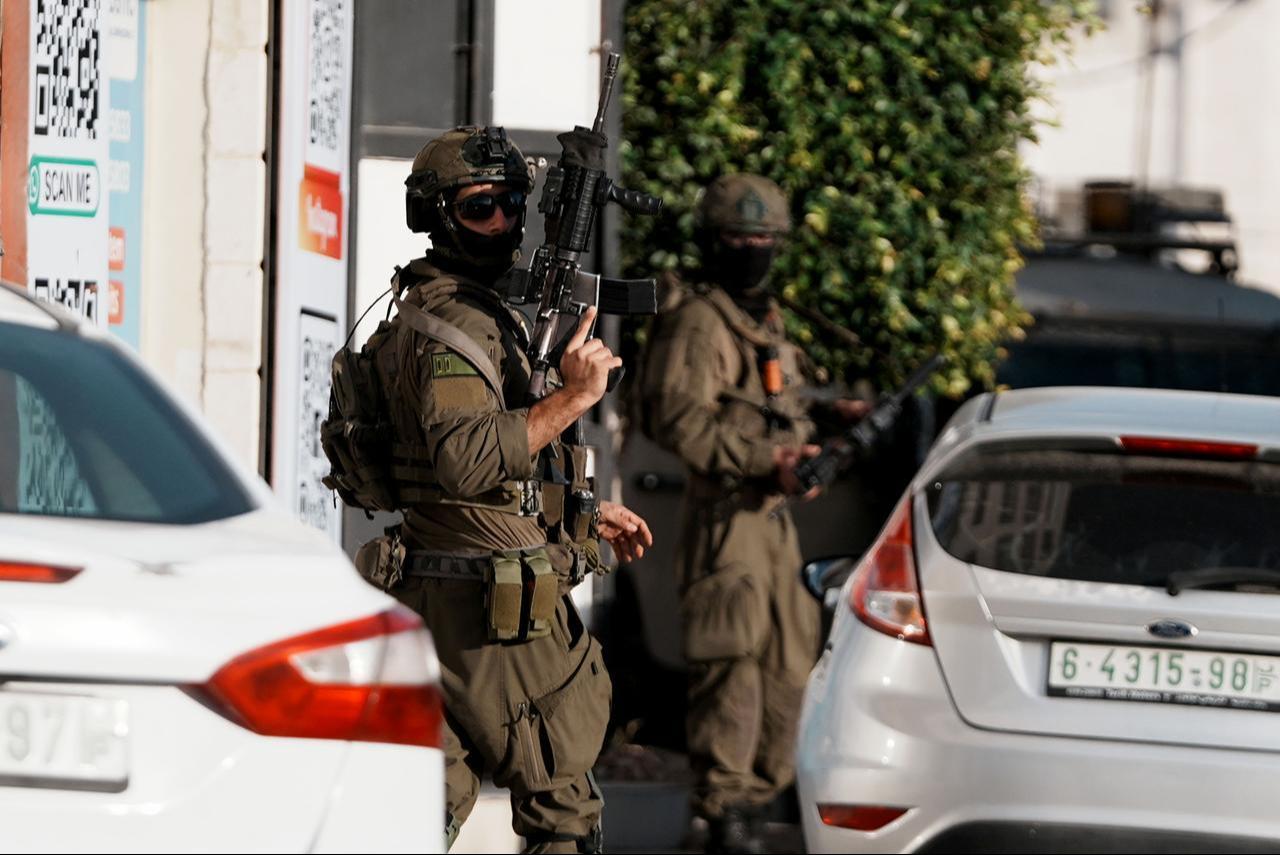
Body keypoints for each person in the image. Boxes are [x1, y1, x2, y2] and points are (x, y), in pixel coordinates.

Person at [377, 125, 652, 854]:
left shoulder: (442, 308)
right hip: (494, 610)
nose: (499, 223)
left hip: (443, 586)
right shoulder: (453, 326)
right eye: (477, 208)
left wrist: (585, 515)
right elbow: (469, 462)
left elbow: (496, 470)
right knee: (561, 802)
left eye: (510, 205)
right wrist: (577, 395)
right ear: (434, 215)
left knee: (419, 806)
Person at [638, 174, 865, 853]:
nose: (754, 248)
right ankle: (722, 809)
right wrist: (774, 463)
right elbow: (682, 422)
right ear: (714, 241)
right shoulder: (699, 321)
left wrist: (828, 416)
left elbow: (772, 404)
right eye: (740, 237)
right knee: (730, 664)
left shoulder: (762, 319)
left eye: (765, 237)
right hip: (725, 516)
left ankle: (760, 799)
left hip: (773, 525)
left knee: (789, 663)